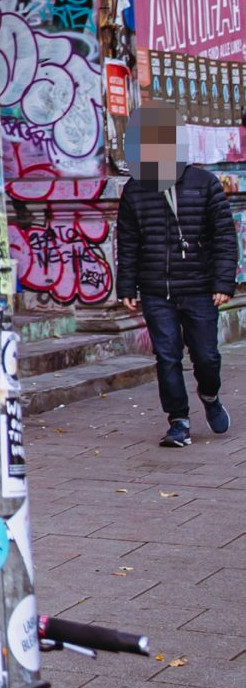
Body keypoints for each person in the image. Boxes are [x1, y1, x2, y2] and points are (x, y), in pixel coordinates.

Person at [114, 102, 238, 448]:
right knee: (167, 356)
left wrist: (223, 283)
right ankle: (178, 421)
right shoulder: (135, 189)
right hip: (156, 290)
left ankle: (210, 396)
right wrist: (127, 284)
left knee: (206, 356)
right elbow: (128, 241)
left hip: (200, 288)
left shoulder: (204, 183)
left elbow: (225, 238)